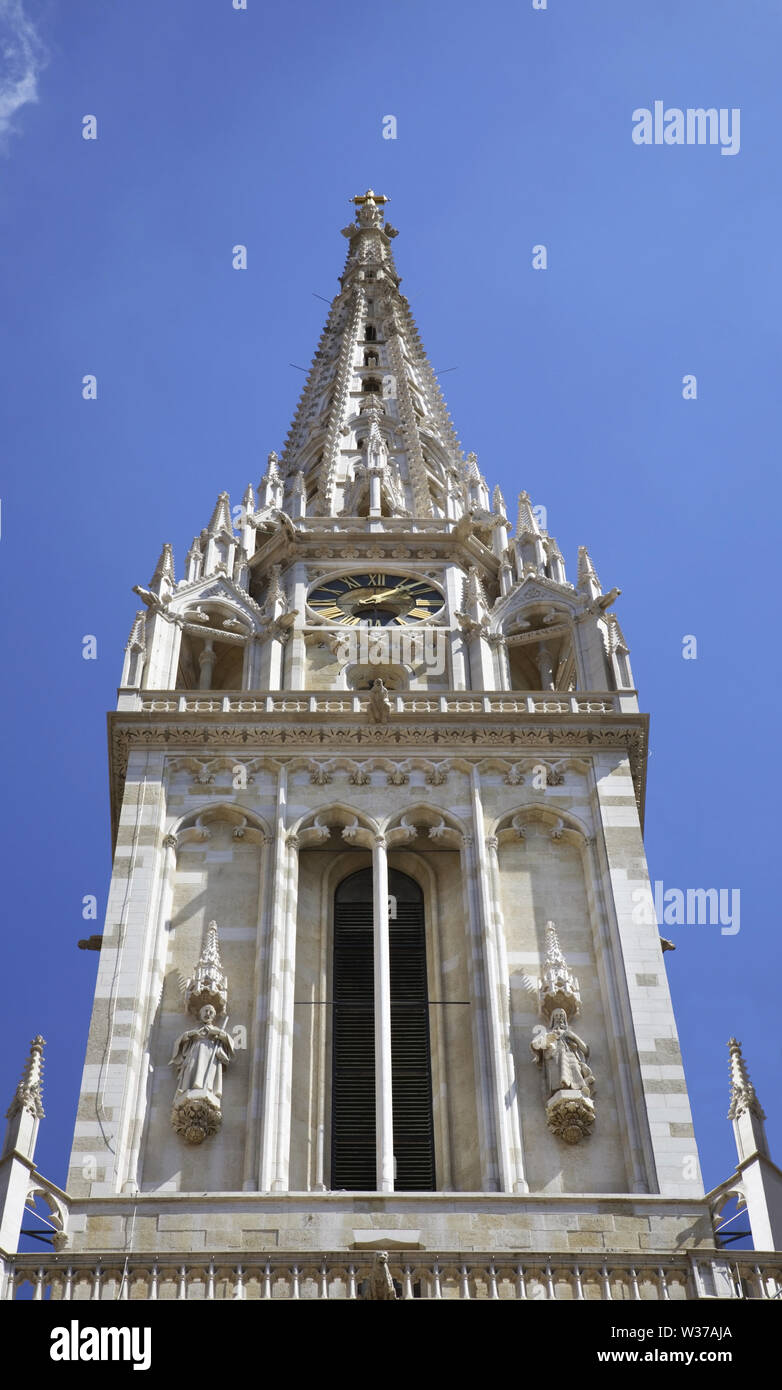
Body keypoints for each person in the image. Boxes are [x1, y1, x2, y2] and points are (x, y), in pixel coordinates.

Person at [170, 1004, 233, 1103]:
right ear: (200, 1014)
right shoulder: (195, 1030)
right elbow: (180, 1042)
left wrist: (219, 1033)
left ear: (213, 1016)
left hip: (210, 1053)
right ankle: (187, 1089)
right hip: (195, 1052)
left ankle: (206, 1090)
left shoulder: (216, 1030)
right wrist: (190, 1035)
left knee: (207, 1073)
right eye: (205, 1011)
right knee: (191, 1069)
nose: (208, 1014)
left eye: (210, 1012)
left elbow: (229, 1041)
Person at [531, 1008, 594, 1097]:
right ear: (553, 1019)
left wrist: (574, 1037)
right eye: (556, 1016)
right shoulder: (549, 1034)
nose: (559, 1018)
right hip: (556, 1059)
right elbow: (535, 1045)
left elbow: (586, 1050)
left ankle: (581, 1088)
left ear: (564, 1019)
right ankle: (561, 1088)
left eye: (561, 1016)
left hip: (571, 1057)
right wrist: (548, 1040)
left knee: (575, 1071)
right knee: (561, 1070)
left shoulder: (569, 1034)